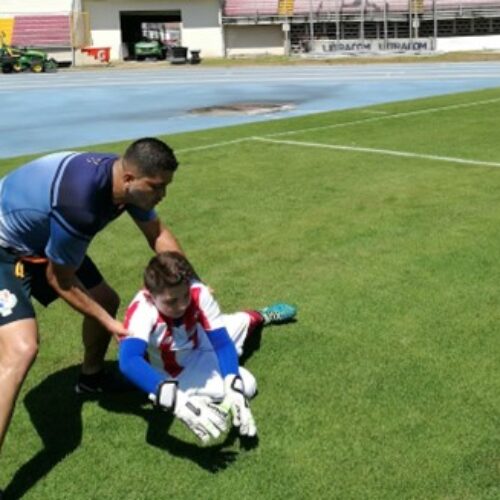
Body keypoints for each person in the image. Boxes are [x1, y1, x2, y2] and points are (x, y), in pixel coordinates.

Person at [0, 138, 185, 478]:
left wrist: (193, 286)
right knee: (21, 350)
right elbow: (61, 279)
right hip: (5, 248)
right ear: (129, 179)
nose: (163, 196)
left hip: (42, 237)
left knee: (106, 298)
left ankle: (91, 379)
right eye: (157, 188)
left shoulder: (122, 183)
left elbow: (157, 233)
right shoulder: (80, 204)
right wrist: (110, 324)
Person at [119, 251, 297, 443]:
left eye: (185, 295)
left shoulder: (197, 292)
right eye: (172, 301)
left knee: (238, 322)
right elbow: (129, 361)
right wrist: (175, 400)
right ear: (150, 294)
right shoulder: (142, 309)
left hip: (197, 337)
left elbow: (221, 342)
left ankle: (262, 315)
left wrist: (232, 386)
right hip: (176, 368)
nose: (182, 305)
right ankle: (190, 398)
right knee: (248, 384)